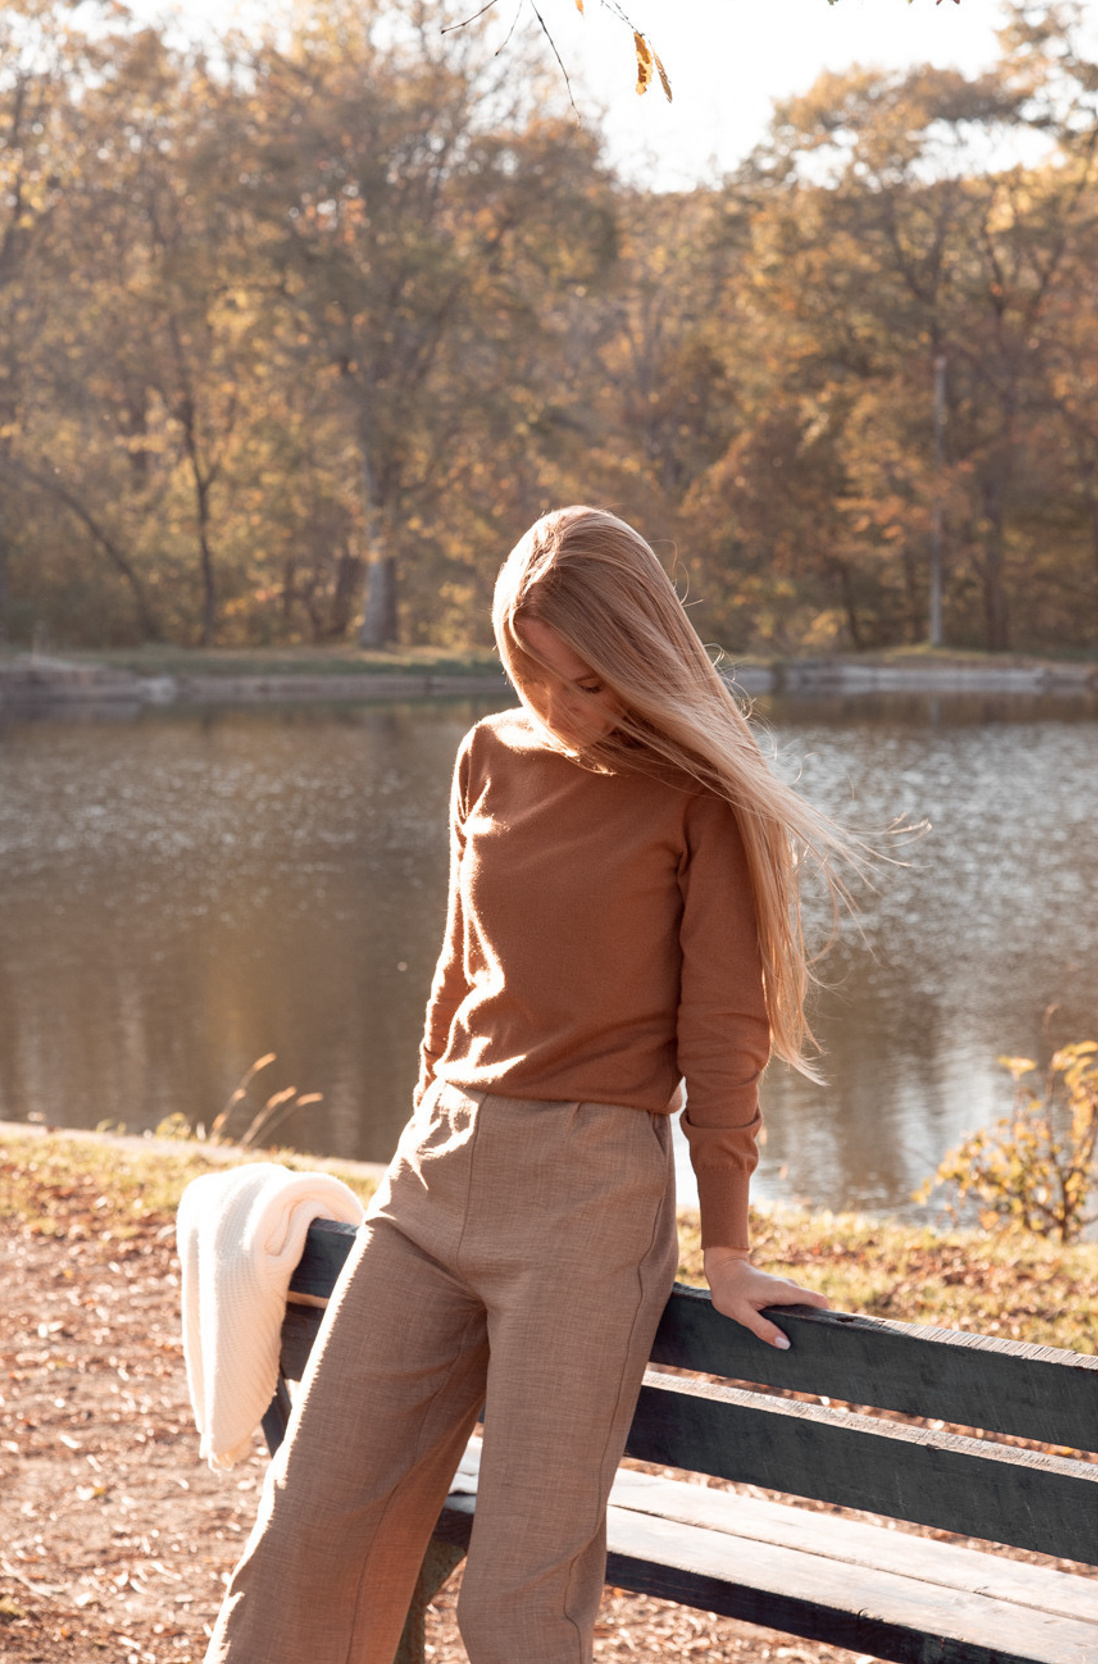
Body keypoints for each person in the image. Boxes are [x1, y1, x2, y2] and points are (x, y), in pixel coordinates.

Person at [205, 505, 857, 1664]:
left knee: (515, 1604)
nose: (560, 706)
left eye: (590, 682)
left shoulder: (699, 795)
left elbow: (721, 1035)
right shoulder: (487, 753)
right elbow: (458, 971)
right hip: (437, 1169)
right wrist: (422, 1121)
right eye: (533, 670)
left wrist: (726, 1244)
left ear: (643, 661)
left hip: (585, 1203)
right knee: (302, 1541)